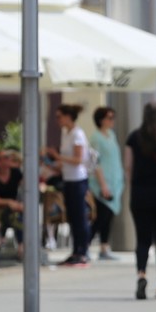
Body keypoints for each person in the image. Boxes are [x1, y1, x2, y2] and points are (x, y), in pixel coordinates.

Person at [124, 104, 156, 300]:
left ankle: (141, 274)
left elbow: (128, 167)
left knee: (142, 238)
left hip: (139, 194)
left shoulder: (134, 137)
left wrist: (134, 187)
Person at [45, 104, 92, 268]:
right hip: (69, 179)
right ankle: (76, 251)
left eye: (59, 117)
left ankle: (83, 251)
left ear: (68, 116)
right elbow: (66, 160)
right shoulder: (66, 134)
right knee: (72, 216)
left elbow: (78, 159)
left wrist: (57, 156)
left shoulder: (77, 134)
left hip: (78, 180)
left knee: (79, 216)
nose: (57, 120)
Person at [89, 107, 123, 262]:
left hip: (114, 181)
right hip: (102, 183)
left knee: (108, 217)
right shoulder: (96, 138)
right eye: (109, 117)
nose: (112, 120)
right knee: (100, 218)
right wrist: (103, 185)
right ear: (101, 119)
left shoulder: (111, 135)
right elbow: (96, 163)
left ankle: (104, 247)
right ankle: (85, 245)